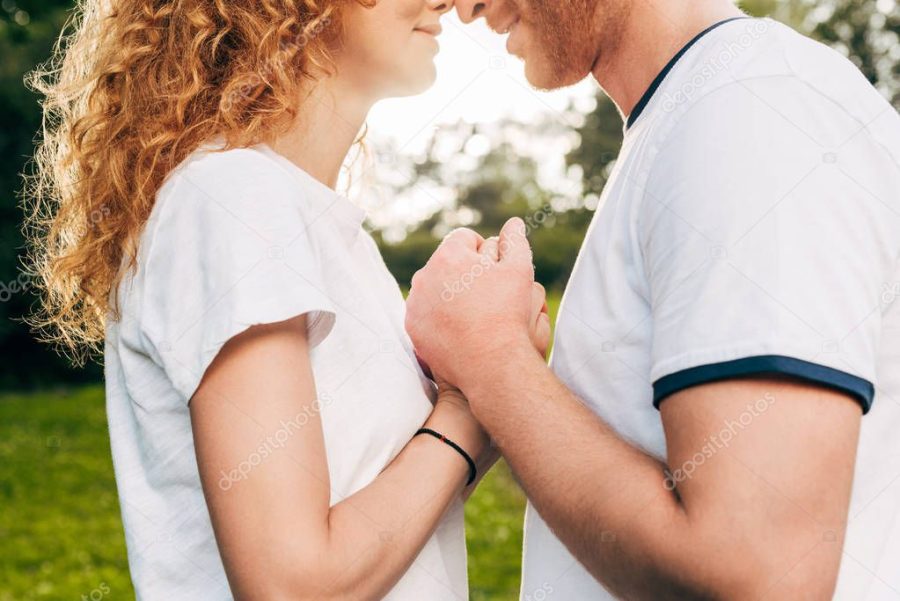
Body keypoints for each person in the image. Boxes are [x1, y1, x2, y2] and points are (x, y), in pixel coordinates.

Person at [23, 0, 550, 598]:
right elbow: (293, 586)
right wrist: (464, 404)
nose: (449, 2)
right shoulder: (234, 199)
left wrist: (492, 371)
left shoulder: (328, 233)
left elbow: (403, 505)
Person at [406, 0, 900, 599]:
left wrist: (489, 358)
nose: (464, 8)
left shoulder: (748, 112)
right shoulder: (697, 113)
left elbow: (761, 575)